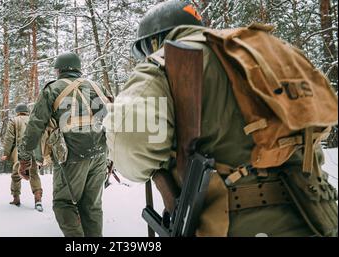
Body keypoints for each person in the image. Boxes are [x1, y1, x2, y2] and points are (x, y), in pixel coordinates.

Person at [104, 0, 338, 237]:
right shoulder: (263, 52)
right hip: (317, 215)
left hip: (231, 224)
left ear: (154, 41)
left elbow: (129, 144)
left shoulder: (161, 62)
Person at [18, 52, 110, 237]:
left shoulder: (53, 89)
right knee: (92, 207)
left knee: (63, 204)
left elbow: (35, 126)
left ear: (59, 70)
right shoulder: (97, 87)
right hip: (100, 155)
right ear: (78, 68)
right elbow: (114, 119)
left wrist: (24, 159)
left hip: (72, 157)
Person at [1, 103, 43, 211]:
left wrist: (6, 153)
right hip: (33, 151)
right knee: (34, 174)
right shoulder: (33, 121)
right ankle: (38, 200)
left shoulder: (14, 121)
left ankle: (16, 199)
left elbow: (9, 138)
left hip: (19, 153)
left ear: (17, 111)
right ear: (27, 111)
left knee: (16, 175)